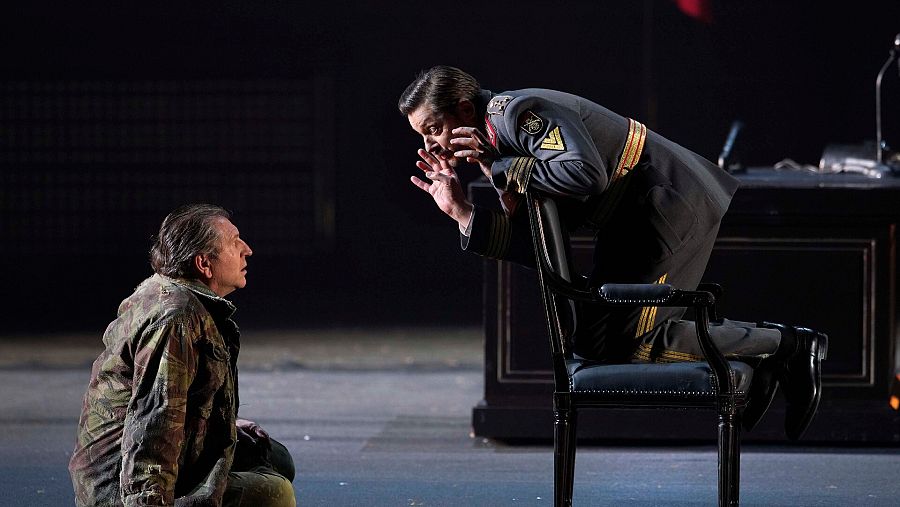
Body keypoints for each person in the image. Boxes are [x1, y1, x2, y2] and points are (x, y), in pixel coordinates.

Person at [399, 65, 827, 440]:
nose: (432, 146)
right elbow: (539, 246)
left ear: (465, 109)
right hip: (632, 224)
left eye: (434, 129)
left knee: (632, 344)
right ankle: (764, 360)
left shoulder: (515, 114)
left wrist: (501, 167)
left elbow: (586, 174)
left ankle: (787, 345)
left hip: (666, 206)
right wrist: (461, 211)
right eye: (423, 136)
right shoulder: (497, 145)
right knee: (596, 343)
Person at [68, 204, 296, 506]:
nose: (247, 250)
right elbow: (153, 425)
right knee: (275, 495)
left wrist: (225, 422)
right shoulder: (176, 319)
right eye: (234, 242)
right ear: (204, 264)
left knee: (272, 456)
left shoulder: (177, 295)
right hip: (119, 487)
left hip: (153, 455)